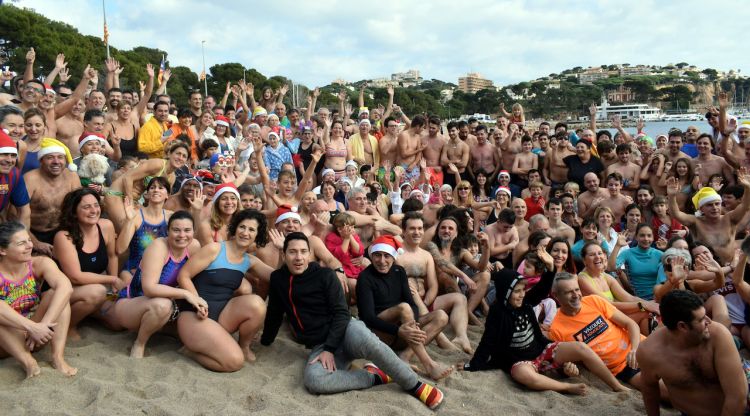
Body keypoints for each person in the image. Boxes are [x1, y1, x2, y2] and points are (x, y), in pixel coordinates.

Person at [261, 232, 446, 410]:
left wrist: (329, 349)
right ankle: (375, 377)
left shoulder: (325, 275)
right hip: (320, 344)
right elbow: (274, 312)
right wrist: (266, 340)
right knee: (314, 381)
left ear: (310, 254)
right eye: (292, 252)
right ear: (284, 254)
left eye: (303, 252)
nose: (298, 257)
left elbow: (342, 313)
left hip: (346, 330)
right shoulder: (278, 279)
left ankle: (415, 385)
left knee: (371, 343)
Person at [462, 265, 629, 395]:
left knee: (580, 347)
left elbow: (542, 289)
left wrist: (551, 268)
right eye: (517, 292)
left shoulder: (525, 304)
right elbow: (487, 341)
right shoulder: (497, 313)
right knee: (522, 375)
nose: (521, 295)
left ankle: (616, 386)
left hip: (541, 350)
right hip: (520, 360)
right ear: (505, 293)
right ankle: (565, 387)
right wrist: (472, 365)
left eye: (523, 290)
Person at [176, 209, 272, 371]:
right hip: (194, 314)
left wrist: (284, 252)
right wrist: (197, 301)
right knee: (234, 362)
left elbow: (278, 277)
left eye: (251, 230)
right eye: (242, 227)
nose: (245, 233)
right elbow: (183, 276)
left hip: (222, 316)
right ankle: (190, 351)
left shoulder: (249, 261)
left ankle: (243, 346)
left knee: (257, 304)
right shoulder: (215, 249)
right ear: (235, 228)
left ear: (257, 235)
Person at [101, 211, 201, 358]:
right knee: (161, 306)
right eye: (176, 230)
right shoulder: (159, 247)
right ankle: (139, 343)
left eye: (187, 230)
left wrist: (197, 300)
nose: (182, 235)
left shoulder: (194, 247)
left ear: (193, 231)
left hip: (161, 301)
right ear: (167, 231)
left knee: (175, 308)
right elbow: (149, 289)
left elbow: (191, 278)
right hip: (131, 300)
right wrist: (186, 294)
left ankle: (162, 328)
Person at [356, 235, 454, 380]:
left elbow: (412, 303)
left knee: (441, 316)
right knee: (403, 308)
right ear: (371, 256)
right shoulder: (365, 277)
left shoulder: (399, 272)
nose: (382, 261)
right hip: (379, 333)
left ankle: (405, 355)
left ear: (394, 257)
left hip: (403, 331)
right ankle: (429, 365)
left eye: (386, 256)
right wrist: (399, 330)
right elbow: (368, 318)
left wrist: (411, 325)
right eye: (377, 255)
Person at [638, 290, 747, 416]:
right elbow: (649, 389)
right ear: (682, 326)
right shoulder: (650, 351)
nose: (709, 321)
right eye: (701, 319)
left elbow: (737, 398)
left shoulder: (718, 335)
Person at [549, 273, 657, 391]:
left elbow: (630, 324)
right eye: (569, 292)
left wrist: (634, 349)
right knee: (662, 389)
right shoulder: (556, 329)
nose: (576, 295)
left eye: (577, 290)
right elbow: (569, 363)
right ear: (556, 296)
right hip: (623, 368)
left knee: (676, 371)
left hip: (640, 346)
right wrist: (568, 369)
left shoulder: (593, 301)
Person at [0, 221, 77, 378]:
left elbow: (66, 287)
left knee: (57, 296)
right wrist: (31, 327)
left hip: (35, 337)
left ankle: (57, 358)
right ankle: (29, 362)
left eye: (29, 240)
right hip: (5, 341)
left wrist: (42, 327)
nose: (29, 246)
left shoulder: (38, 263)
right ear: (3, 250)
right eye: (22, 243)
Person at [54, 188, 121, 339]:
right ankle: (69, 326)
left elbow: (112, 256)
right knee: (97, 292)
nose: (93, 210)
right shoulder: (64, 236)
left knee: (117, 322)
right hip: (65, 290)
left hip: (95, 286)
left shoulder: (106, 226)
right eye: (86, 207)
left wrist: (114, 287)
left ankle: (89, 312)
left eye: (96, 205)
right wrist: (112, 280)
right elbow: (75, 277)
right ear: (73, 212)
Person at [667, 170, 750, 264]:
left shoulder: (729, 219)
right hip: (705, 270)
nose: (714, 208)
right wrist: (672, 195)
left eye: (717, 204)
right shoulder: (695, 222)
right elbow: (676, 214)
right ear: (701, 209)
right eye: (709, 205)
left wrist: (747, 188)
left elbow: (744, 206)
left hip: (731, 268)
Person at [24, 138, 80, 257]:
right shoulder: (30, 179)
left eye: (60, 157)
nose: (56, 161)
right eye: (50, 157)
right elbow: (15, 215)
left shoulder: (72, 177)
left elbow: (80, 207)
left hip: (63, 231)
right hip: (34, 233)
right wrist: (35, 243)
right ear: (41, 161)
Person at [0, 129, 30, 229]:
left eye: (13, 155)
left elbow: (24, 211)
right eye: (3, 154)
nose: (9, 160)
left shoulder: (14, 174)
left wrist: (22, 240)